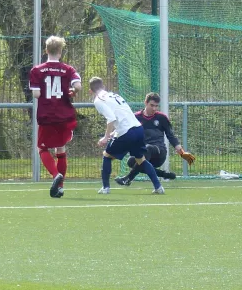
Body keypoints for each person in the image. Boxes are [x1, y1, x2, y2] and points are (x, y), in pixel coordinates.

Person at [89, 77, 165, 195]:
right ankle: (158, 187)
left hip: (127, 132)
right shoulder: (114, 95)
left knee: (107, 156)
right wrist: (115, 132)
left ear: (90, 91)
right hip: (138, 129)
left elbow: (111, 119)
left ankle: (105, 188)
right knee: (141, 159)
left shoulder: (98, 100)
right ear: (103, 87)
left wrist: (106, 137)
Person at [29, 36, 82, 198]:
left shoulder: (37, 70)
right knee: (61, 148)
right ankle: (60, 186)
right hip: (65, 115)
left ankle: (55, 175)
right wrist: (73, 91)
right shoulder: (68, 69)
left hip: (47, 115)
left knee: (42, 148)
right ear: (60, 51)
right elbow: (77, 86)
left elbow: (37, 94)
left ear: (46, 50)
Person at [115, 92, 195, 186]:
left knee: (147, 148)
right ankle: (163, 174)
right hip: (143, 151)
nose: (154, 108)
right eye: (151, 105)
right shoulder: (135, 117)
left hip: (159, 153)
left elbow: (171, 136)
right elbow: (126, 132)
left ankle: (128, 178)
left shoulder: (161, 118)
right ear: (145, 102)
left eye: (156, 106)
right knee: (131, 161)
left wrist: (182, 152)